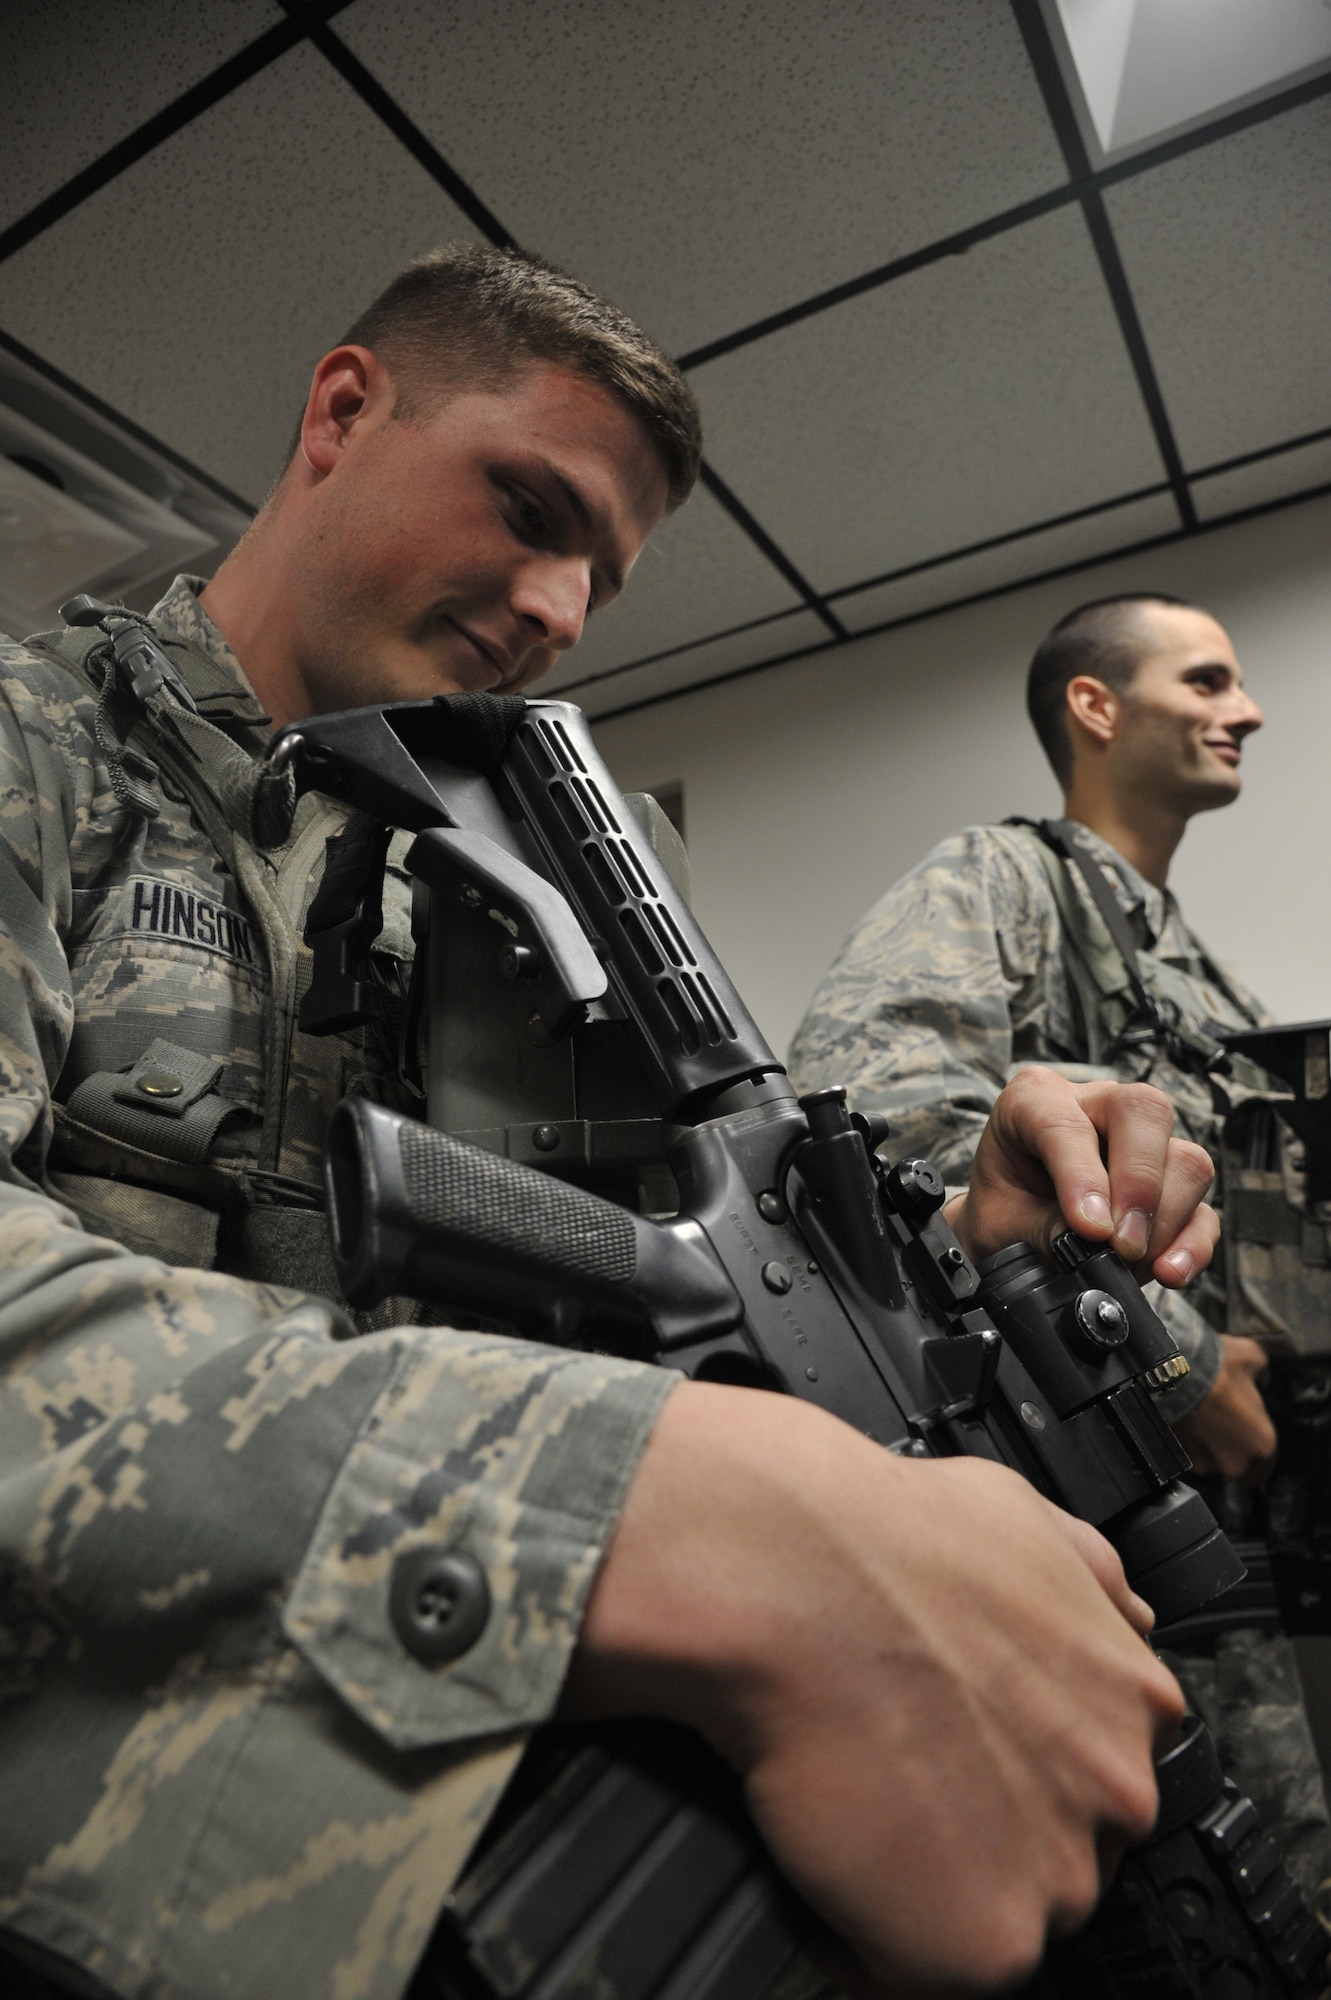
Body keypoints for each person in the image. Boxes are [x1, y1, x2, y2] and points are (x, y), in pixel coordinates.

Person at [0, 253, 1209, 2000]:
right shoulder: (36, 756)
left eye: (603, 577)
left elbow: (720, 1286)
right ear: (342, 413)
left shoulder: (518, 912)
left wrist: (950, 1254)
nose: (560, 606)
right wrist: (633, 1508)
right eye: (529, 504)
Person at [790, 591, 1331, 1899]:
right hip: (1120, 1529)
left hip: (1263, 1533)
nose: (1244, 710)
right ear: (1096, 705)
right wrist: (1178, 1363)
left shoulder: (1209, 982)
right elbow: (875, 1127)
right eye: (1204, 682)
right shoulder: (1004, 883)